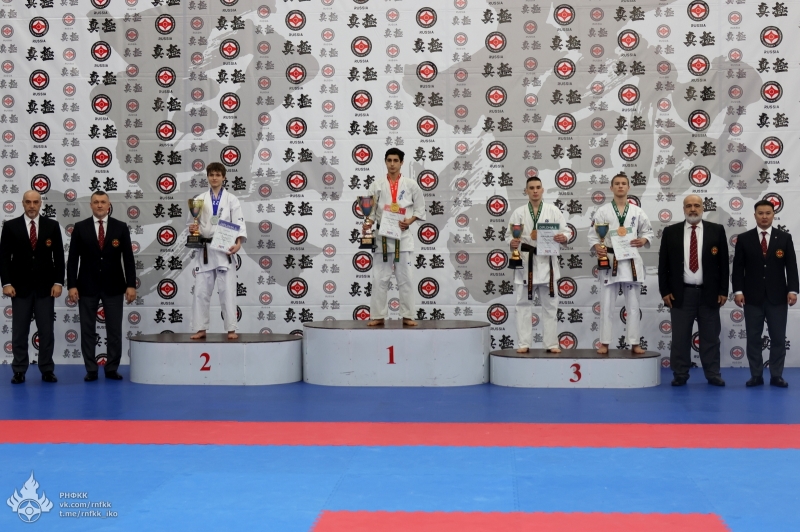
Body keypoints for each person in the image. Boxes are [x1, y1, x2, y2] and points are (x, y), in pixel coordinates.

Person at [658, 195, 728, 386]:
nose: (693, 209)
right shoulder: (671, 232)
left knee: (710, 337)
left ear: (703, 208)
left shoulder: (716, 230)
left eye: (697, 205)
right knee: (680, 338)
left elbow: (723, 264)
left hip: (709, 293)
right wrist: (665, 291)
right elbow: (663, 265)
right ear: (683, 209)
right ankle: (680, 374)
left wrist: (723, 290)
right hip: (681, 294)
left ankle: (712, 373)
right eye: (688, 206)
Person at [67, 190, 136, 381]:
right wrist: (71, 285)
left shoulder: (120, 227)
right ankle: (91, 369)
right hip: (86, 286)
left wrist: (131, 285)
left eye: (103, 202)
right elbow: (72, 260)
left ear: (108, 205)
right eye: (96, 202)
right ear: (90, 205)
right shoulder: (80, 227)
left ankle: (112, 368)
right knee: (87, 330)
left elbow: (128, 259)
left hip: (114, 286)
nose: (99, 205)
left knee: (114, 330)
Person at [732, 200, 798, 387]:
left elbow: (791, 266)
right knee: (753, 338)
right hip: (752, 297)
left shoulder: (784, 238)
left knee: (778, 338)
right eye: (760, 213)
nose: (764, 216)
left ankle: (776, 375)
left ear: (773, 215)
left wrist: (793, 290)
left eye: (768, 213)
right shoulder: (744, 239)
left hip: (778, 297)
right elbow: (738, 269)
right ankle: (756, 375)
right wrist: (738, 291)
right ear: (754, 215)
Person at [0, 190, 64, 384]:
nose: (32, 206)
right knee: (20, 331)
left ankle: (47, 369)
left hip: (46, 288)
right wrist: (7, 283)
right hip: (19, 288)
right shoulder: (10, 226)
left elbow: (59, 257)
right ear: (23, 203)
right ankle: (19, 370)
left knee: (46, 331)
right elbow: (4, 258)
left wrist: (58, 282)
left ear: (40, 203)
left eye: (35, 202)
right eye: (28, 202)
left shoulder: (52, 226)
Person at [587, 172, 654, 355]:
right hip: (609, 261)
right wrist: (597, 246)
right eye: (617, 183)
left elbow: (648, 232)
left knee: (633, 306)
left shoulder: (637, 211)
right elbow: (593, 235)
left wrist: (643, 240)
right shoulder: (603, 211)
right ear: (611, 188)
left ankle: (634, 343)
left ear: (628, 187)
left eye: (623, 183)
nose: (620, 186)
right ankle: (604, 343)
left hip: (630, 261)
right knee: (606, 305)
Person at [362, 148, 426, 326]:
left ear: (401, 162)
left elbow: (420, 208)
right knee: (379, 279)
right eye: (389, 160)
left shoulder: (411, 185)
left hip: (402, 238)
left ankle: (408, 315)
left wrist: (410, 220)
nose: (392, 164)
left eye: (395, 160)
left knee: (406, 279)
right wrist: (367, 223)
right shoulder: (376, 185)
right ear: (385, 161)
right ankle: (378, 315)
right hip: (382, 238)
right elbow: (371, 211)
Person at [508, 176, 569, 353]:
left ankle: (551, 343)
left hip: (547, 263)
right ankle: (524, 343)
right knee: (522, 306)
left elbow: (566, 231)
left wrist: (563, 237)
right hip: (526, 262)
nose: (535, 191)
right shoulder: (519, 212)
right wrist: (512, 241)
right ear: (526, 191)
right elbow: (509, 234)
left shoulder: (553, 211)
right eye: (531, 188)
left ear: (542, 190)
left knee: (550, 307)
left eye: (538, 187)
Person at [188, 162, 247, 340]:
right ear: (207, 177)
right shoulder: (199, 199)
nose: (214, 178)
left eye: (217, 175)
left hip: (224, 250)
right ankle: (200, 328)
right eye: (211, 175)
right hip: (205, 251)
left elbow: (238, 222)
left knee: (227, 291)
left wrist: (238, 243)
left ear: (223, 177)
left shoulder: (231, 199)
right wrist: (192, 229)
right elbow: (191, 223)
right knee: (201, 292)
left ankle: (231, 329)